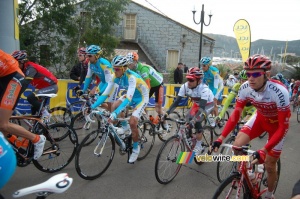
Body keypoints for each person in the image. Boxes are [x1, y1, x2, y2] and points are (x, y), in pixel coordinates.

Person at [212, 54, 290, 199]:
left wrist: (264, 150)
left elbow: (283, 128)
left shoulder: (279, 92)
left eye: (255, 74)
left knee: (269, 165)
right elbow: (235, 115)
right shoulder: (245, 88)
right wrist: (221, 138)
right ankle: (251, 175)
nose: (250, 78)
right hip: (260, 119)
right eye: (248, 74)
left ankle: (269, 194)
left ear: (266, 75)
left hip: (277, 127)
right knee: (237, 145)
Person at [90, 55, 149, 163]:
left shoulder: (131, 77)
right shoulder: (116, 76)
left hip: (141, 97)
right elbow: (105, 94)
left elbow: (128, 99)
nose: (114, 71)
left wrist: (115, 114)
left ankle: (136, 148)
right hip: (130, 95)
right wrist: (92, 107)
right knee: (114, 105)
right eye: (113, 68)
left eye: (116, 69)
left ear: (124, 68)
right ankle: (125, 129)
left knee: (133, 122)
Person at [0, 49, 45, 160]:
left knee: (2, 124)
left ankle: (37, 139)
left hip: (13, 78)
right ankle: (15, 144)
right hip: (4, 77)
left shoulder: (30, 68)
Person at [165, 67, 214, 155]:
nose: (189, 82)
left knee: (196, 121)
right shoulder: (185, 86)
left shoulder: (204, 89)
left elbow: (202, 108)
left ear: (199, 81)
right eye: (188, 79)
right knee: (188, 119)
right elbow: (176, 102)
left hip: (207, 105)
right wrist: (166, 113)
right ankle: (191, 138)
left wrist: (194, 121)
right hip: (197, 103)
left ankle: (199, 145)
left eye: (191, 80)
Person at [11, 50, 58, 119]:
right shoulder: (24, 69)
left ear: (22, 61)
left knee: (30, 98)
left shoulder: (30, 68)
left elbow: (26, 83)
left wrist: (16, 94)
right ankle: (36, 126)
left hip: (52, 87)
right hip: (44, 88)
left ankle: (46, 114)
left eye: (16, 63)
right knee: (34, 108)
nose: (15, 66)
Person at [127, 52, 168, 130]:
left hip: (158, 84)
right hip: (149, 85)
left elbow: (147, 86)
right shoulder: (132, 70)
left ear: (135, 61)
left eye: (130, 62)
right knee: (141, 103)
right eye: (128, 62)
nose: (129, 64)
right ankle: (147, 120)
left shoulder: (143, 69)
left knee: (158, 108)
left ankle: (165, 123)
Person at [77, 45, 114, 110]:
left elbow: (109, 82)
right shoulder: (90, 64)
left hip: (112, 83)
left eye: (90, 56)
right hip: (103, 82)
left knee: (110, 105)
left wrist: (99, 93)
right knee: (93, 97)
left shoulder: (104, 64)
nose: (88, 58)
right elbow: (88, 77)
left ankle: (115, 116)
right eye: (87, 55)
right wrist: (83, 90)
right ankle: (104, 115)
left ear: (96, 55)